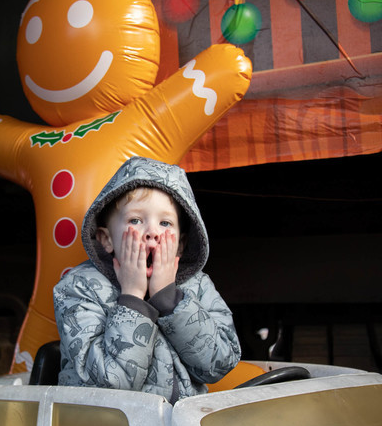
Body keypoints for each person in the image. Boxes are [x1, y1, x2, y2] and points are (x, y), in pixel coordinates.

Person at [53, 156, 241, 403]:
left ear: (181, 245)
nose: (152, 232)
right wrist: (132, 297)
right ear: (106, 239)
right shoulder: (78, 287)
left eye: (165, 222)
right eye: (135, 220)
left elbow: (219, 364)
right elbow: (110, 386)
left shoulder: (198, 286)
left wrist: (169, 300)